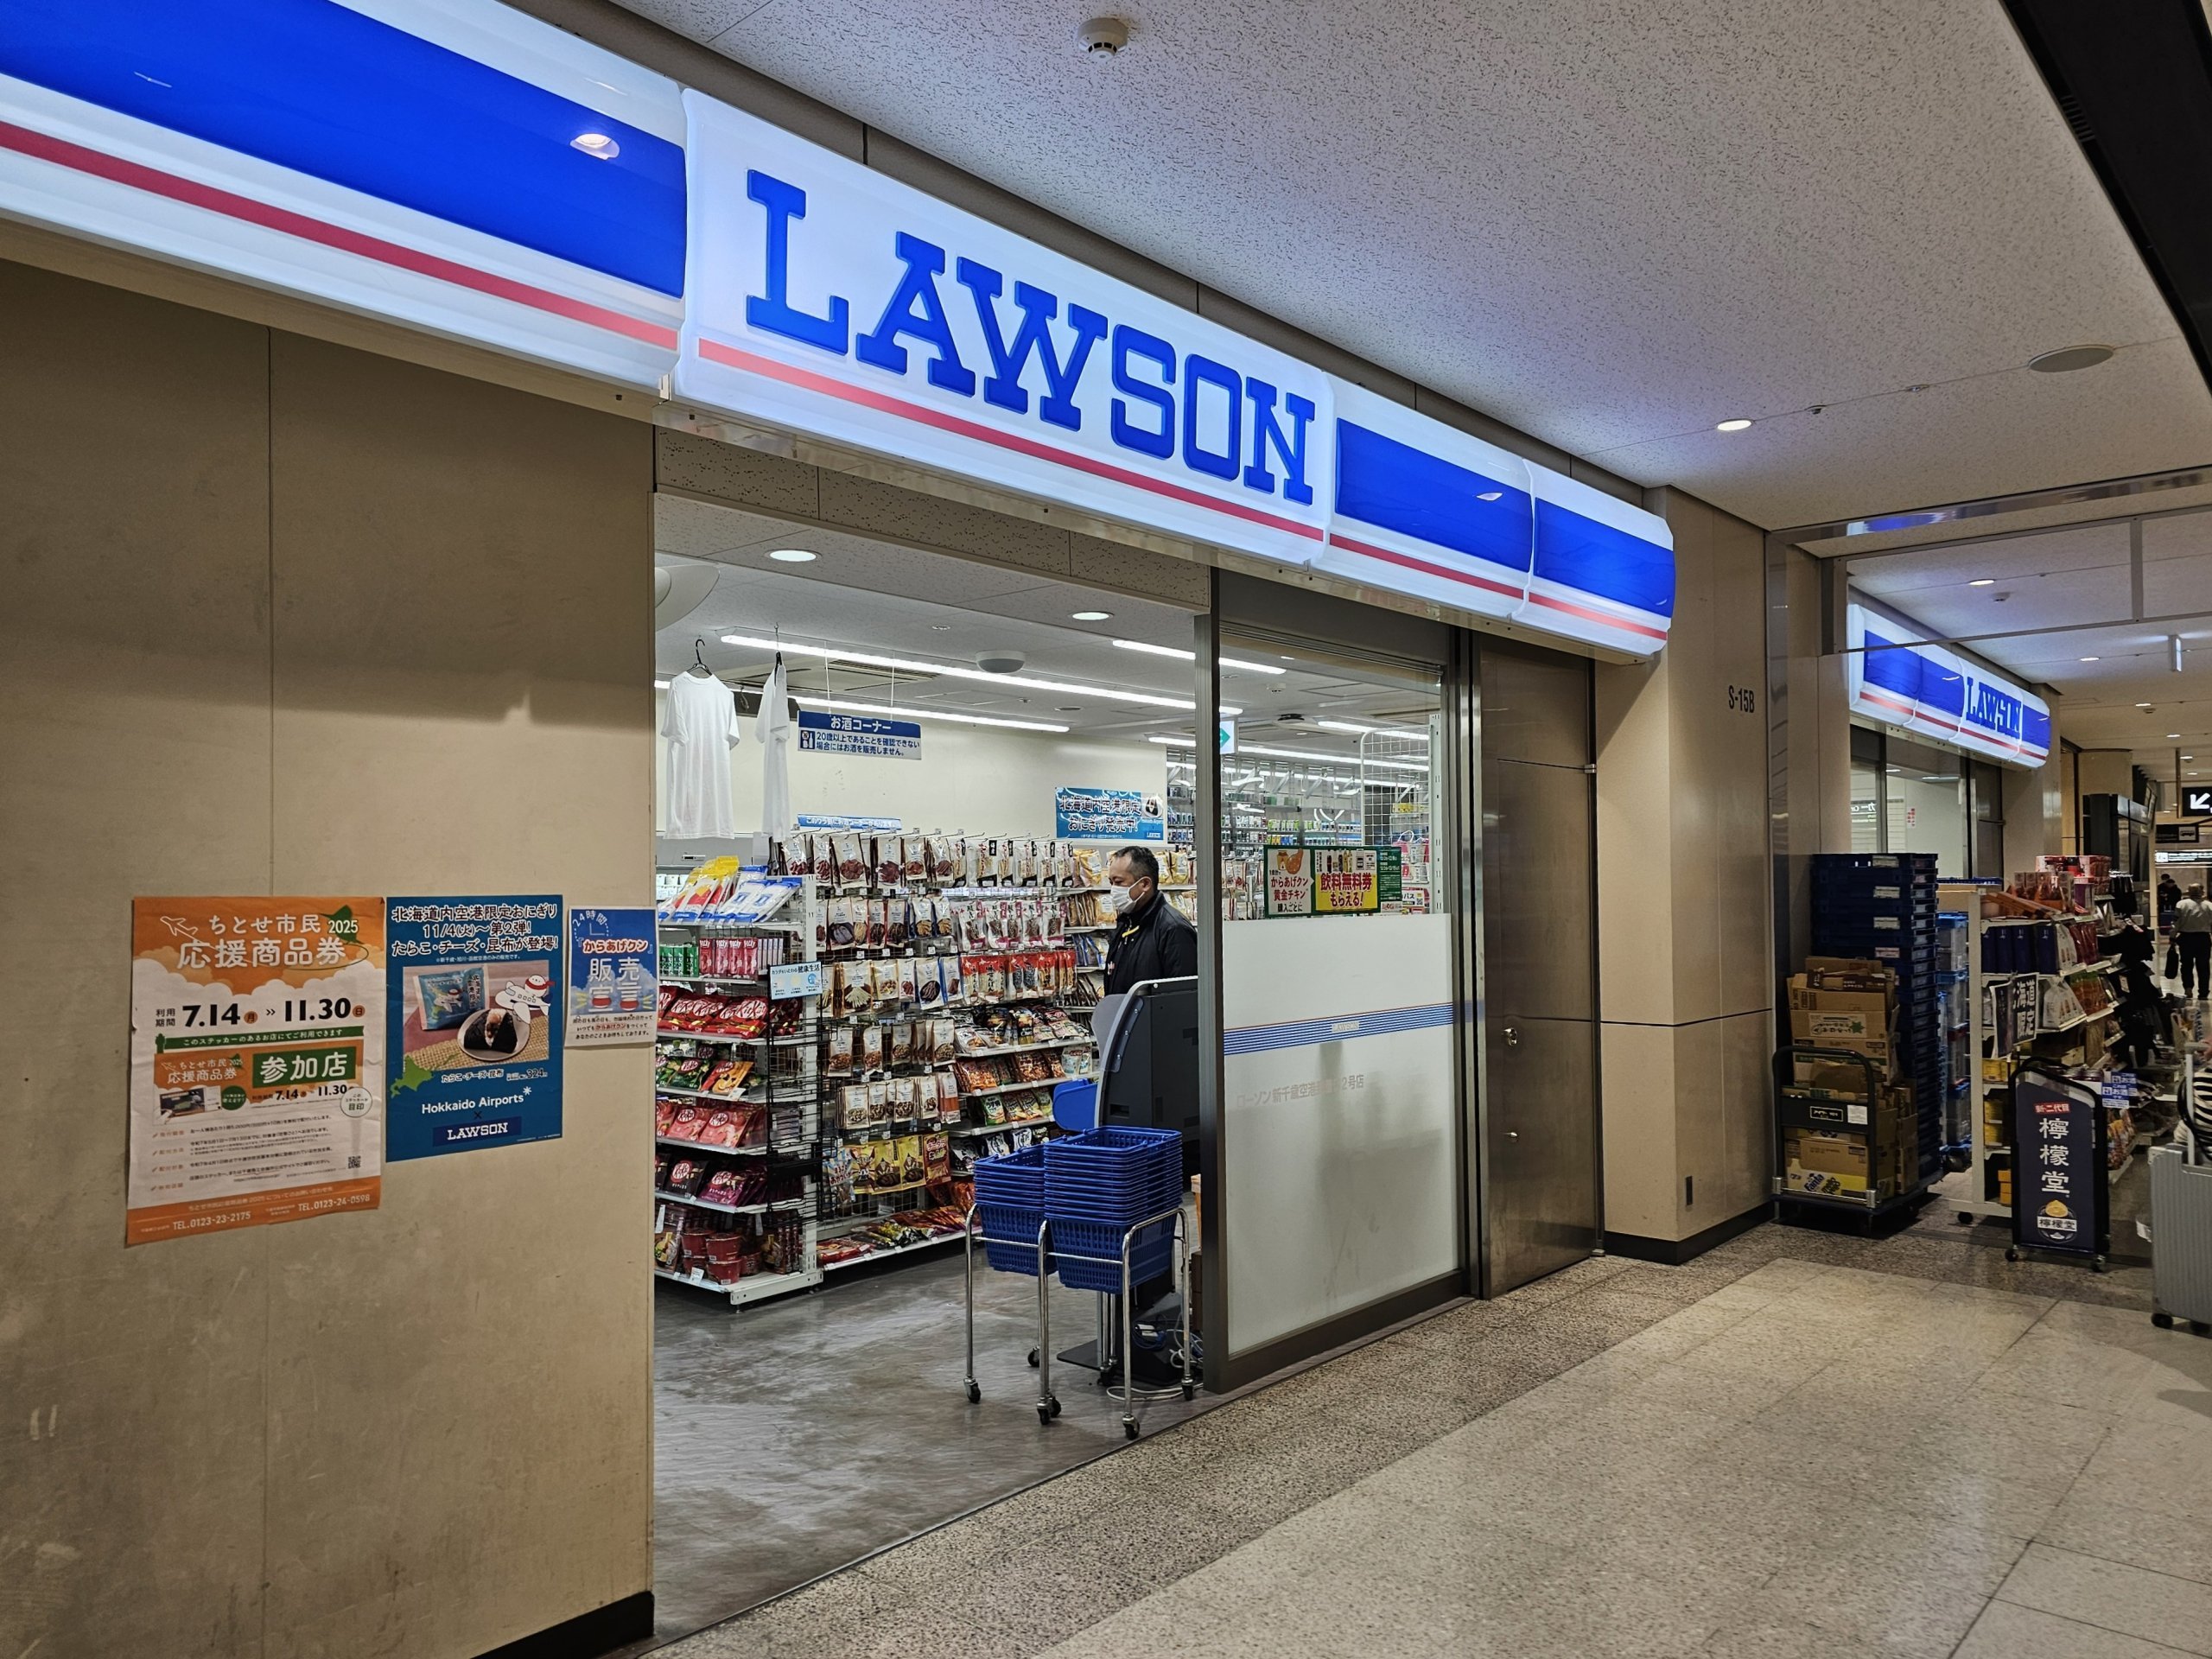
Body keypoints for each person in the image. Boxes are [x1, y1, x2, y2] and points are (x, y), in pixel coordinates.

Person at [1103, 844, 1198, 997]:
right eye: (1111, 882)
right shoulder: (1125, 924)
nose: (1113, 890)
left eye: (1119, 882)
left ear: (1145, 884)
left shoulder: (1174, 929)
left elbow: (1182, 997)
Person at [2177, 884, 2212, 999]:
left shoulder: (2181, 904)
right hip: (2203, 938)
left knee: (2186, 965)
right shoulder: (2209, 905)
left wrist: (2172, 937)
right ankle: (2203, 992)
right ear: (2202, 892)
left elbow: (2176, 923)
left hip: (2186, 938)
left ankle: (2188, 988)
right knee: (2203, 966)